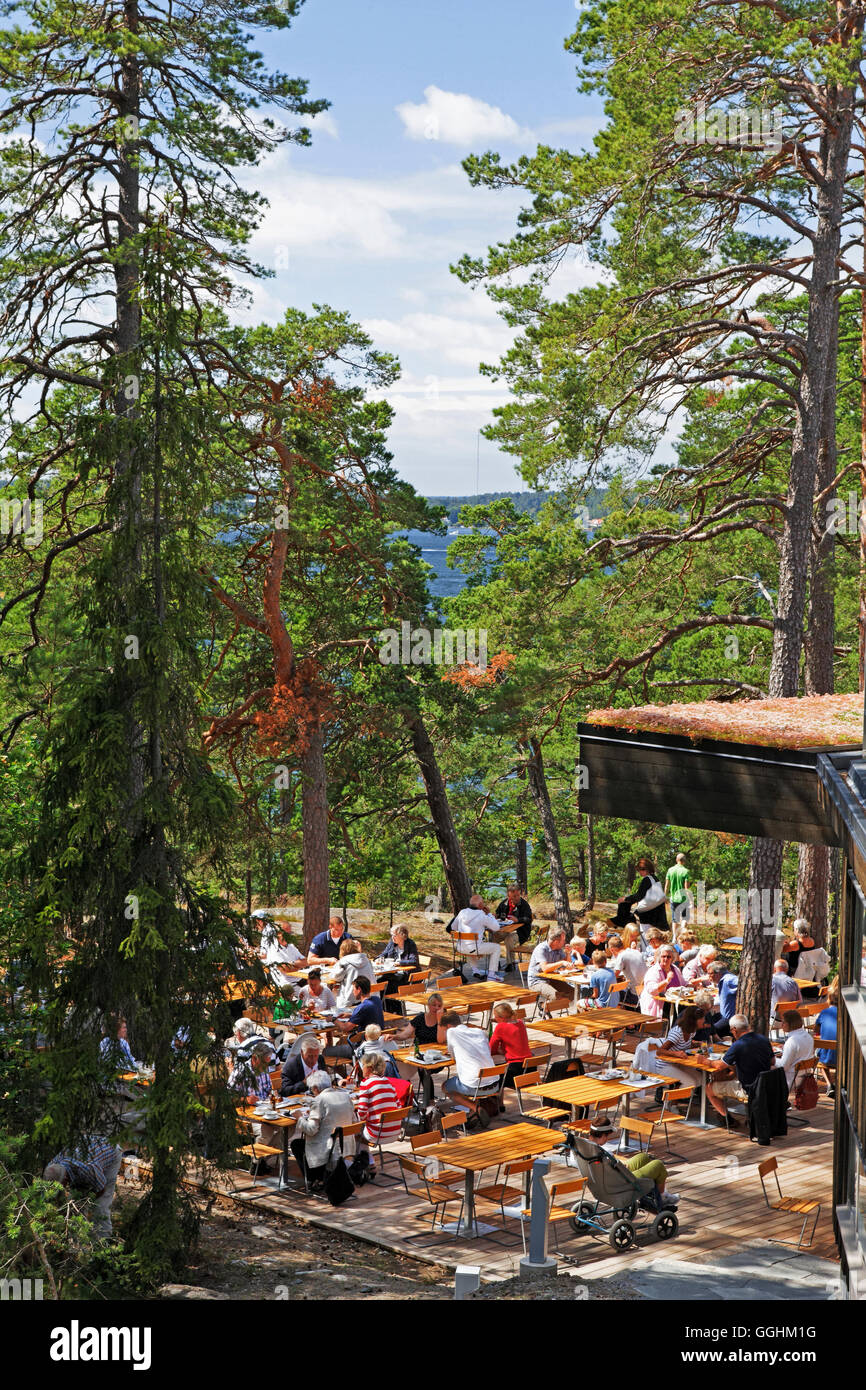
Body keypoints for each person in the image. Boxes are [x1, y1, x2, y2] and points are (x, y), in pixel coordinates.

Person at [586, 1118, 679, 1208]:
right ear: (602, 1136)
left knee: (643, 1157)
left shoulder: (585, 1148)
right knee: (658, 1165)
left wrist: (620, 1166)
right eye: (607, 1136)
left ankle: (651, 1193)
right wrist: (621, 1167)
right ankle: (662, 1197)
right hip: (619, 1182)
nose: (607, 1139)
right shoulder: (603, 1153)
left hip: (604, 1179)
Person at [43, 1137, 125, 1239]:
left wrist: (86, 1201)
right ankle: (75, 1239)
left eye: (60, 1185)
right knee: (74, 1204)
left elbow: (101, 1189)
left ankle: (103, 1241)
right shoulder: (52, 1165)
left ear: (65, 1178)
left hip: (111, 1151)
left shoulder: (88, 1169)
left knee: (100, 1206)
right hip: (88, 1147)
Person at [290, 1070, 356, 1188]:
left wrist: (300, 1118)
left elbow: (311, 1130)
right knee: (303, 1141)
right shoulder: (345, 1095)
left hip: (328, 1149)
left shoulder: (319, 1100)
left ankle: (316, 1177)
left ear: (315, 1088)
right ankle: (319, 1175)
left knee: (296, 1144)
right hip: (346, 1145)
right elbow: (354, 1121)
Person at [706, 1014, 775, 1126]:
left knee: (709, 1088)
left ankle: (728, 1119)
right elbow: (772, 1062)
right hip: (765, 1086)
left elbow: (720, 1066)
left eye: (732, 1031)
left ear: (734, 1030)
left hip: (748, 1089)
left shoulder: (738, 1045)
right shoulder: (763, 1039)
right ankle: (749, 1116)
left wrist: (705, 1061)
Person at [395, 991, 448, 1104]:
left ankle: (429, 1101)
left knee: (424, 1069)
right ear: (428, 1005)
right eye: (434, 1005)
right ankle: (412, 1098)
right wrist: (394, 1036)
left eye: (439, 1006)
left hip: (436, 1057)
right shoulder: (420, 1018)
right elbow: (405, 1034)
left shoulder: (443, 1020)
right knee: (401, 1067)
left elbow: (440, 1040)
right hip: (419, 1055)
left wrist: (439, 1020)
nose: (436, 1008)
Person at [631, 1005, 702, 1087]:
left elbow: (685, 1044)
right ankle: (672, 1098)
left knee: (700, 1078)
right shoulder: (677, 1033)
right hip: (664, 1066)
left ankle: (683, 1096)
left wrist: (697, 1044)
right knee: (690, 1083)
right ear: (693, 1020)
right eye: (702, 1019)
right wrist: (676, 1054)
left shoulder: (692, 1031)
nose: (704, 1020)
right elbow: (659, 1051)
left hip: (678, 1063)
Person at [441, 1009, 500, 1104]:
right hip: (495, 1085)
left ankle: (475, 1108)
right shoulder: (479, 1031)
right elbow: (487, 1051)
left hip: (473, 1087)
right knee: (472, 1074)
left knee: (445, 1086)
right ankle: (476, 1108)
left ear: (448, 1026)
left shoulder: (451, 1031)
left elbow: (453, 1057)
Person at [354, 1052, 400, 1173]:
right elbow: (399, 1106)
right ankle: (369, 1163)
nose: (361, 1067)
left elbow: (362, 1112)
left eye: (362, 1065)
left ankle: (369, 1163)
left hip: (377, 1134)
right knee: (362, 1128)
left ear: (369, 1068)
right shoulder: (388, 1083)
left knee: (355, 1131)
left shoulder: (365, 1084)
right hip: (395, 1131)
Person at [609, 856, 669, 933]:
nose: (639, 872)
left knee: (646, 937)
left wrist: (625, 899)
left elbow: (639, 896)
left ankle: (614, 922)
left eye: (640, 870)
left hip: (648, 914)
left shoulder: (647, 880)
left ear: (645, 869)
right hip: (658, 913)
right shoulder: (655, 879)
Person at [451, 894, 504, 980]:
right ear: (480, 905)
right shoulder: (482, 915)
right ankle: (491, 975)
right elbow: (496, 927)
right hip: (474, 948)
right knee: (496, 947)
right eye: (483, 902)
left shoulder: (462, 912)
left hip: (460, 947)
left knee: (469, 944)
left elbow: (453, 927)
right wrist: (489, 914)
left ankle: (476, 970)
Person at [489, 1001, 532, 1090]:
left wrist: (499, 1051)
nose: (495, 1019)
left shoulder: (500, 1027)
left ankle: (498, 1103)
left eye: (496, 1017)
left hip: (515, 1070)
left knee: (490, 1078)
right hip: (530, 1068)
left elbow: (491, 1049)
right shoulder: (520, 1023)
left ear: (502, 1018)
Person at [527, 927, 571, 1013]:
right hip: (537, 981)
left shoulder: (558, 949)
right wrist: (561, 962)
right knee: (556, 997)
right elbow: (545, 968)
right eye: (563, 940)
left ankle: (546, 1007)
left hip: (552, 979)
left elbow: (566, 965)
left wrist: (568, 953)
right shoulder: (541, 949)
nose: (564, 942)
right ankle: (543, 1006)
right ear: (556, 942)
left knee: (572, 992)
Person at [781, 919, 830, 997]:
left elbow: (782, 949)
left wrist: (786, 943)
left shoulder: (796, 944)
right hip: (807, 970)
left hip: (793, 971)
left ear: (796, 930)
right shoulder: (811, 941)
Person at [228, 1038, 279, 1106]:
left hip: (264, 1108)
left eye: (268, 1063)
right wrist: (246, 1100)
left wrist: (272, 1094)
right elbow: (228, 1098)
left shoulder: (265, 1068)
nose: (266, 1066)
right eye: (263, 1063)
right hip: (248, 1110)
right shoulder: (241, 1071)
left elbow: (268, 1090)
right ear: (254, 1058)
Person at [639, 944, 684, 1019]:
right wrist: (667, 981)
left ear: (673, 958)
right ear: (660, 957)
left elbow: (683, 984)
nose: (666, 959)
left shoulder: (675, 969)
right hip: (659, 1006)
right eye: (663, 956)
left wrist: (695, 985)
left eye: (669, 957)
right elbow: (652, 990)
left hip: (674, 1003)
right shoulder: (654, 971)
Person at [330, 938, 377, 1009]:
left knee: (334, 992)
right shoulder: (366, 959)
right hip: (371, 996)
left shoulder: (344, 962)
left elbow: (335, 977)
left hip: (351, 999)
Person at [778, 1009, 814, 1091]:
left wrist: (773, 1059)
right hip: (805, 1077)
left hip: (791, 1080)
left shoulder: (791, 1041)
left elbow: (783, 1067)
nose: (781, 1025)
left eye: (783, 1022)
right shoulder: (808, 1036)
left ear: (789, 1024)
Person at [607, 933, 647, 1004]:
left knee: (608, 991)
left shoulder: (621, 956)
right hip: (643, 991)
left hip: (634, 996)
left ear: (612, 949)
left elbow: (613, 976)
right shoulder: (636, 952)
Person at [816, 979, 838, 1096]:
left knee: (819, 1053)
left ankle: (829, 1083)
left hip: (826, 1059)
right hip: (842, 1058)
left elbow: (816, 1030)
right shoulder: (846, 1014)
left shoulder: (824, 1013)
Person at [707, 960, 738, 1036]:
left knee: (709, 1032)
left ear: (718, 973)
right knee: (704, 1025)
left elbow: (743, 984)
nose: (709, 976)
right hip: (722, 1015)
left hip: (729, 1020)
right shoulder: (722, 980)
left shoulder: (729, 980)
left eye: (710, 974)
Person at [664, 853, 692, 936]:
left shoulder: (670, 870)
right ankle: (682, 935)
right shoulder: (686, 871)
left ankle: (674, 937)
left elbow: (667, 886)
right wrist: (690, 901)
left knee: (674, 918)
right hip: (683, 898)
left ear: (676, 860)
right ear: (684, 861)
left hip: (673, 898)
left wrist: (665, 896)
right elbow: (686, 888)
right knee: (685, 917)